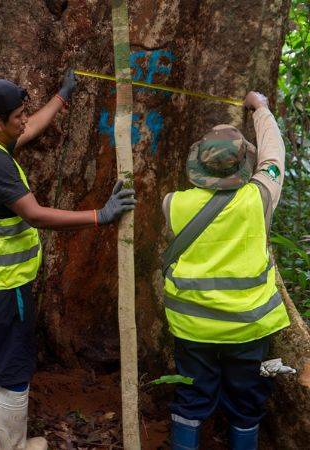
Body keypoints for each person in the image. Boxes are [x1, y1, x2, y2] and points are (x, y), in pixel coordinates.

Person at [0, 76, 136, 450]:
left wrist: (61, 97)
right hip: (3, 289)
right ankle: (15, 446)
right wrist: (100, 215)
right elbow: (34, 215)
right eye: (18, 115)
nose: (25, 120)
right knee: (15, 371)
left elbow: (31, 129)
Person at [161, 91, 290, 450]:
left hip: (192, 325)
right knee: (246, 402)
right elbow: (274, 154)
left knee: (191, 398)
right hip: (249, 326)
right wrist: (261, 109)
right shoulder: (260, 196)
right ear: (243, 166)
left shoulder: (173, 203)